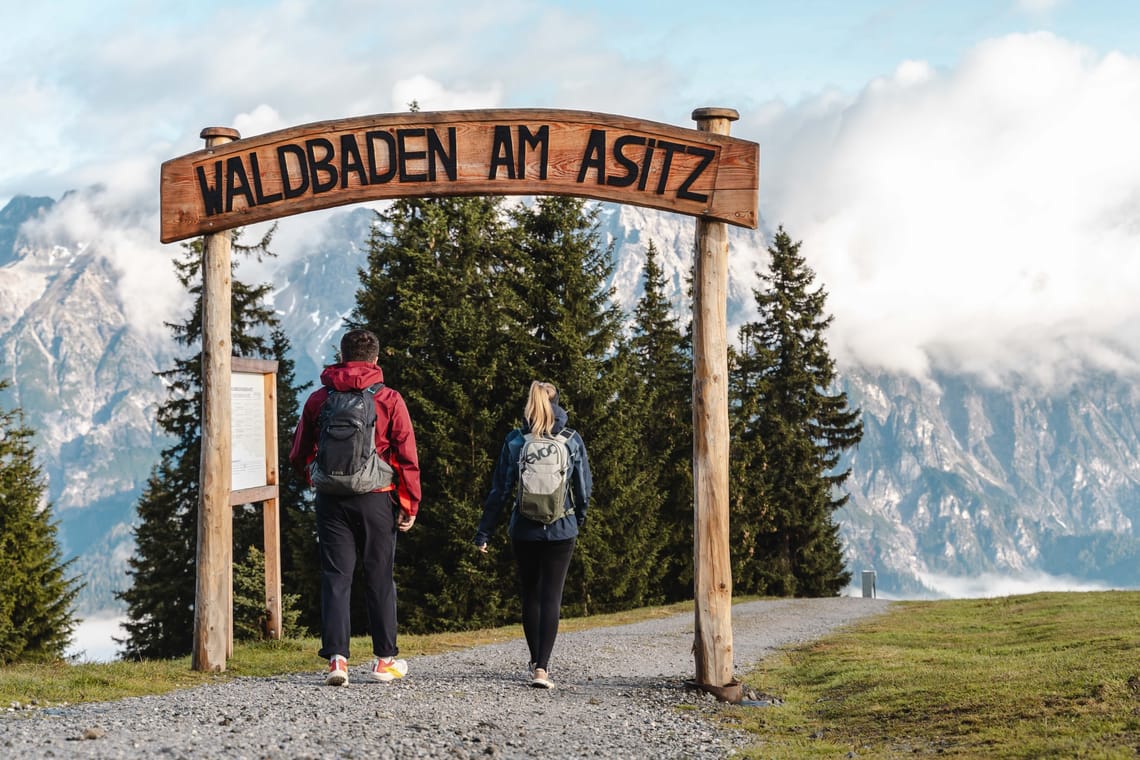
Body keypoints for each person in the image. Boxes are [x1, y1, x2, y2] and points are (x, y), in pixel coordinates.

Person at [289, 328, 421, 686]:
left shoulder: (320, 398)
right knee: (379, 576)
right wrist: (409, 503)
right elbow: (407, 456)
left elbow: (299, 450)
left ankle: (337, 661)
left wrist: (317, 479)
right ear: (375, 360)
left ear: (343, 356)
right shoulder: (389, 398)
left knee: (336, 576)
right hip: (377, 496)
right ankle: (384, 661)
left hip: (332, 499)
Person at [473, 381, 592, 690]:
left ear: (530, 403)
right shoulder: (571, 440)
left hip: (523, 528)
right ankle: (543, 667)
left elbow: (499, 491)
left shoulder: (516, 440)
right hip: (561, 529)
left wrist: (484, 532)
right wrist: (576, 519)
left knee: (531, 596)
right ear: (557, 403)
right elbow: (583, 489)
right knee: (552, 596)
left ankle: (533, 658)